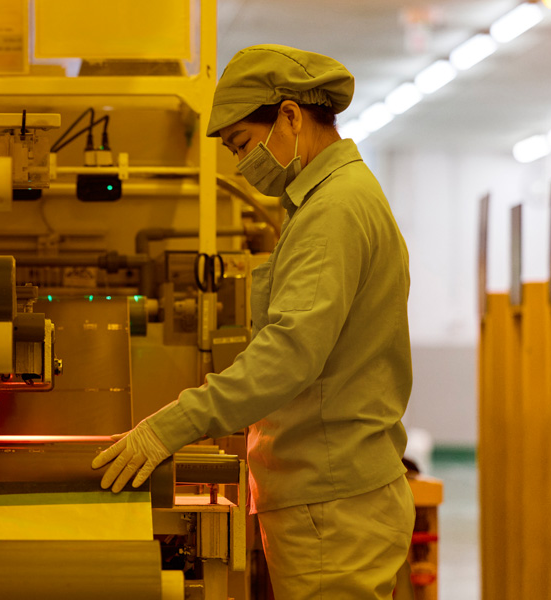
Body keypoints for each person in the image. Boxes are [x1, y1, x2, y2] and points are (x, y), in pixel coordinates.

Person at [91, 44, 415, 598]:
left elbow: (289, 353)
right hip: (329, 493)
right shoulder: (329, 201)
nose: (243, 165)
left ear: (290, 115)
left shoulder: (333, 210)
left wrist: (168, 427)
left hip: (330, 501)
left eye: (242, 144)